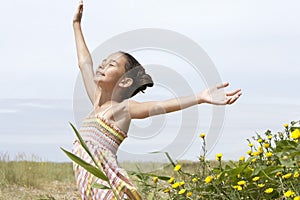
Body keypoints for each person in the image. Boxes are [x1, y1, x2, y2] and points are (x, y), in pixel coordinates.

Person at [71, 1, 242, 199]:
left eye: (111, 64)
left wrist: (199, 98)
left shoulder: (121, 110)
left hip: (110, 191)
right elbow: (84, 63)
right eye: (104, 61)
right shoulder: (97, 103)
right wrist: (76, 24)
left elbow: (157, 106)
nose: (102, 65)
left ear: (125, 81)